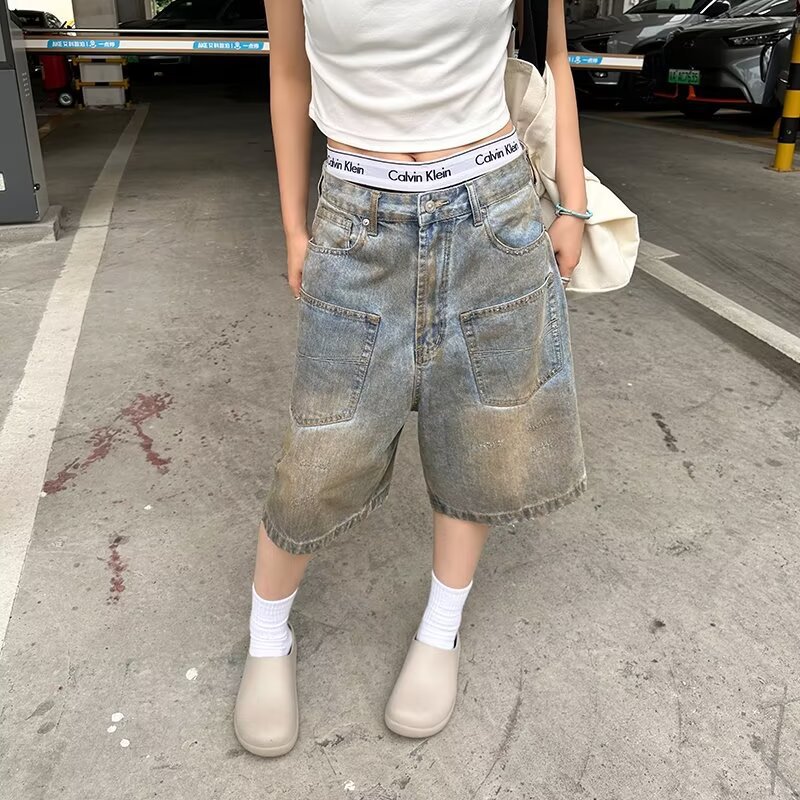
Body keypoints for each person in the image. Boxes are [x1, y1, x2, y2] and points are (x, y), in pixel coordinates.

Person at [234, 0, 589, 757]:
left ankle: (441, 629)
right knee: (320, 455)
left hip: (494, 214)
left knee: (483, 435)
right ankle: (267, 635)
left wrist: (575, 206)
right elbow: (289, 71)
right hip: (356, 216)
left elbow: (556, 58)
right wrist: (294, 227)